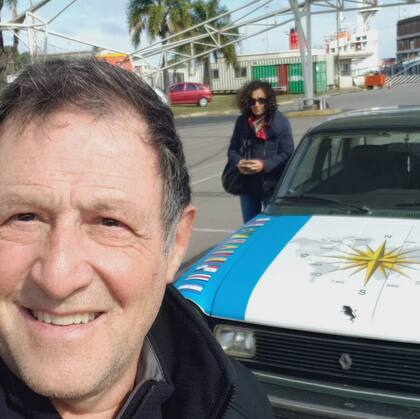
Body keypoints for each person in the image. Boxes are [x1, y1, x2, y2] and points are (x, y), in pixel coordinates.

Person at [0, 59, 275, 419]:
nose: (58, 278)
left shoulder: (239, 404)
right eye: (24, 217)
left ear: (175, 244)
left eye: (110, 223)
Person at [227, 80, 294, 222]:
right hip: (247, 185)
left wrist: (264, 165)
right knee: (250, 227)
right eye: (252, 101)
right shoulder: (242, 122)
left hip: (273, 185)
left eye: (261, 100)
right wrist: (240, 163)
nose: (257, 105)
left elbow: (287, 153)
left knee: (271, 226)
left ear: (269, 100)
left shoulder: (281, 122)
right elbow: (233, 149)